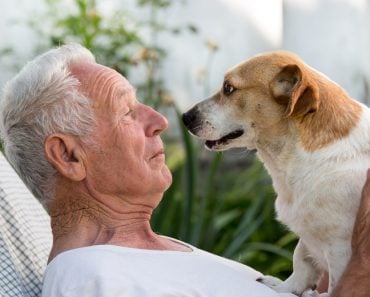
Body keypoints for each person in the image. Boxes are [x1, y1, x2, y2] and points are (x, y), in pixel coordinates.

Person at [0, 43, 368, 297]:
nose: (159, 120)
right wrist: (363, 266)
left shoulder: (147, 259)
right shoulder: (94, 277)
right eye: (127, 111)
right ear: (68, 156)